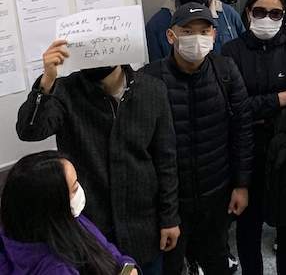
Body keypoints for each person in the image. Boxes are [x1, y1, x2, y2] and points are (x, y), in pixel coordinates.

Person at [16, 46, 180, 274]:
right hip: (93, 230)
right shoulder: (65, 92)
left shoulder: (151, 90)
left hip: (144, 224)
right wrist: (46, 83)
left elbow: (166, 160)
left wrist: (169, 217)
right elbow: (29, 130)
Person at [141, 2, 254, 275]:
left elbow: (243, 130)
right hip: (170, 202)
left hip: (216, 194)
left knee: (217, 260)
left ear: (213, 35)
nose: (197, 38)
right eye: (187, 31)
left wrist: (241, 185)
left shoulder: (226, 71)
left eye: (204, 32)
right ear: (171, 36)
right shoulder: (149, 79)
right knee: (171, 266)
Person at [221, 0, 286, 275]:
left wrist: (268, 115)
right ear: (248, 12)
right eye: (260, 11)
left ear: (283, 17)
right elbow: (234, 108)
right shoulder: (231, 52)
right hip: (246, 152)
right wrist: (279, 99)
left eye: (275, 14)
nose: (267, 18)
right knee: (248, 226)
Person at [0, 151, 138, 275]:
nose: (80, 190)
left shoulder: (70, 220)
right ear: (54, 205)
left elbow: (107, 249)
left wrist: (127, 266)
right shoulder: (56, 268)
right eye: (74, 188)